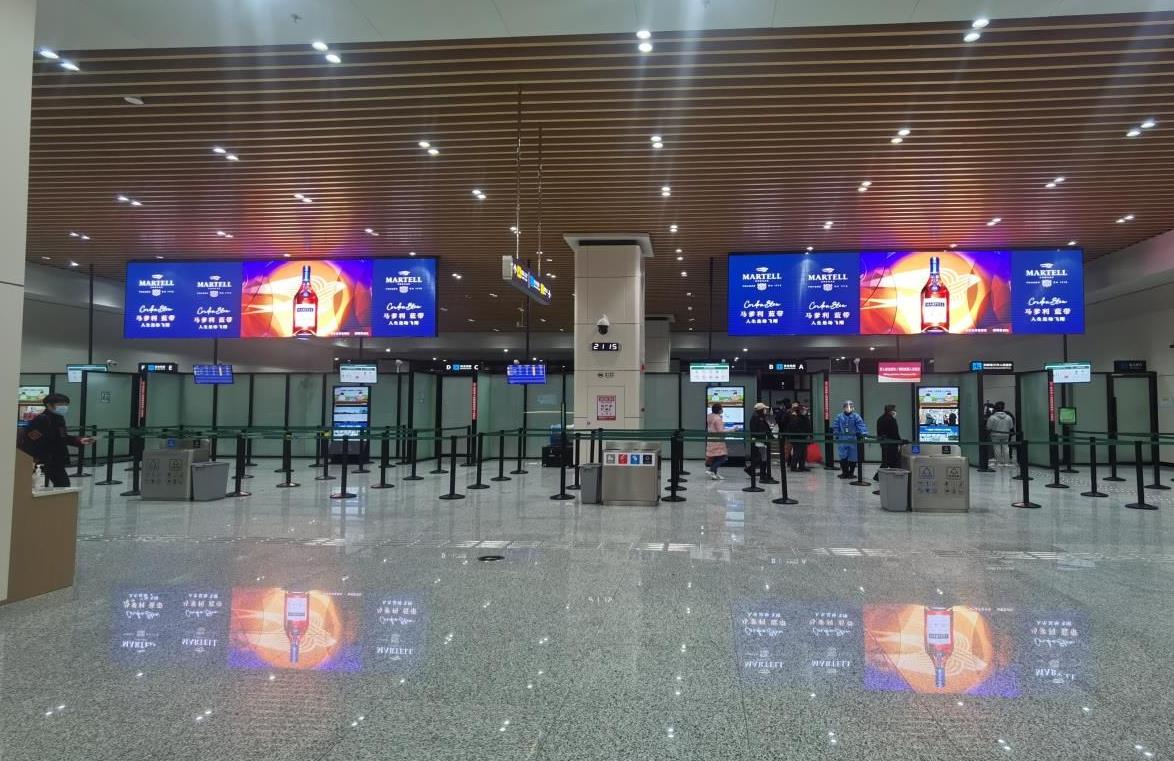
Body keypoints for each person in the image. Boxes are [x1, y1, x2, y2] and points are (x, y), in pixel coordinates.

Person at [19, 393, 94, 487]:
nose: (64, 407)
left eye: (66, 404)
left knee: (62, 484)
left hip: (56, 458)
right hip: (46, 459)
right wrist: (36, 459)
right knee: (63, 484)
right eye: (60, 404)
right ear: (49, 405)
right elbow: (30, 440)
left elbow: (62, 437)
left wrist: (79, 440)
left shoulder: (59, 418)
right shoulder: (42, 419)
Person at [832, 400, 868, 480]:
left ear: (852, 408)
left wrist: (864, 434)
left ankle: (851, 473)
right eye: (847, 407)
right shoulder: (839, 416)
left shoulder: (856, 416)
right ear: (843, 407)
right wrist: (836, 435)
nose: (848, 408)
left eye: (850, 407)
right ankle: (844, 473)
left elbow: (861, 425)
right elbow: (835, 426)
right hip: (843, 439)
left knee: (853, 456)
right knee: (843, 456)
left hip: (853, 439)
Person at [745, 401, 774, 478]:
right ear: (761, 410)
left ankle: (761, 472)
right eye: (764, 409)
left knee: (762, 457)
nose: (765, 410)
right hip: (760, 440)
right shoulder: (757, 418)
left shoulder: (759, 417)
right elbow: (758, 430)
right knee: (762, 457)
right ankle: (762, 474)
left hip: (761, 440)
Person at [783, 402, 812, 471]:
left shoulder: (803, 418)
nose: (805, 410)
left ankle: (802, 466)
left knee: (803, 453)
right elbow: (795, 428)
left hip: (803, 438)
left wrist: (808, 435)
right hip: (798, 438)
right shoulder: (795, 418)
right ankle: (793, 466)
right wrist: (804, 435)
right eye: (803, 409)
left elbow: (807, 426)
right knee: (797, 453)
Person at [876, 404, 902, 477]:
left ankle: (879, 476)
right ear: (890, 411)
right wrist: (900, 441)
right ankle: (896, 476)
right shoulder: (892, 420)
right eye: (894, 410)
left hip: (883, 443)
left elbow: (879, 432)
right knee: (893, 461)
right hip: (892, 443)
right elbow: (895, 432)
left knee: (885, 461)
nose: (895, 412)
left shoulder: (880, 419)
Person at [986, 401, 1016, 466]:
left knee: (997, 448)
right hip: (1006, 434)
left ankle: (999, 462)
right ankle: (1006, 462)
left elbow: (988, 427)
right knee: (1006, 447)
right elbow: (1011, 426)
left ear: (995, 408)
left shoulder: (992, 417)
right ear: (1003, 408)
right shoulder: (1008, 417)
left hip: (995, 435)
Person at [705, 402, 728, 479]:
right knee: (722, 457)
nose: (722, 409)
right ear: (719, 410)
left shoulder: (710, 417)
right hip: (718, 441)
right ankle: (711, 470)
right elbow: (721, 431)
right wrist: (732, 429)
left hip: (711, 440)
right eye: (721, 408)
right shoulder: (717, 419)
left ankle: (714, 473)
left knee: (715, 457)